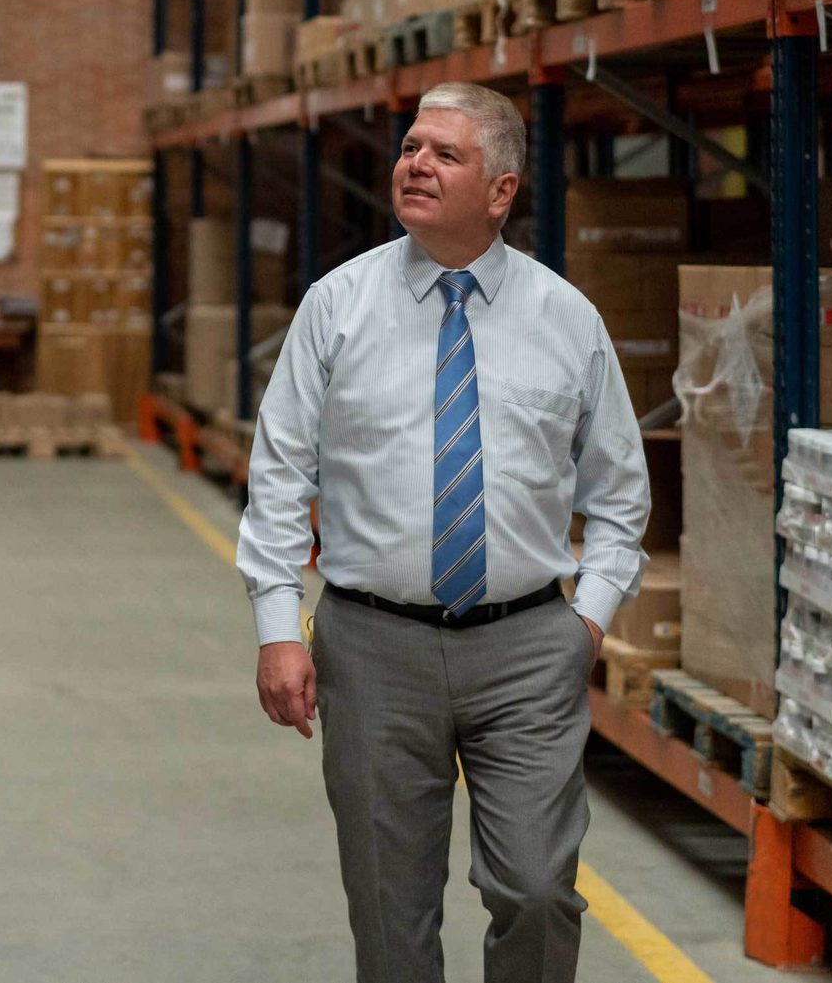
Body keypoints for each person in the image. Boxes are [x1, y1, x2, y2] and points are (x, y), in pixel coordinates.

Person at [236, 81, 651, 982]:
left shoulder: (566, 319)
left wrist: (586, 621)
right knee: (391, 910)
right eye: (411, 146)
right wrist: (278, 626)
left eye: (445, 153)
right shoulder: (336, 307)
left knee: (540, 889)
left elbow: (621, 495)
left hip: (528, 647)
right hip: (372, 643)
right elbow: (278, 475)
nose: (415, 164)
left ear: (501, 190)